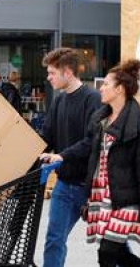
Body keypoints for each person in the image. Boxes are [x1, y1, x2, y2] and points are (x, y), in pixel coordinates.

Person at [84, 59, 140, 267]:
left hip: (126, 200)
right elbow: (93, 158)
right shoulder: (101, 120)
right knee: (118, 254)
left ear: (119, 89)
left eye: (106, 84)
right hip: (104, 196)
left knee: (107, 253)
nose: (101, 88)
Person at [38, 48, 102, 267]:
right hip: (64, 186)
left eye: (52, 73)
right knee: (54, 240)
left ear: (67, 72)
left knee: (113, 243)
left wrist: (62, 156)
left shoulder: (93, 99)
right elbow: (47, 137)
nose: (48, 77)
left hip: (91, 188)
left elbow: (92, 140)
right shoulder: (59, 101)